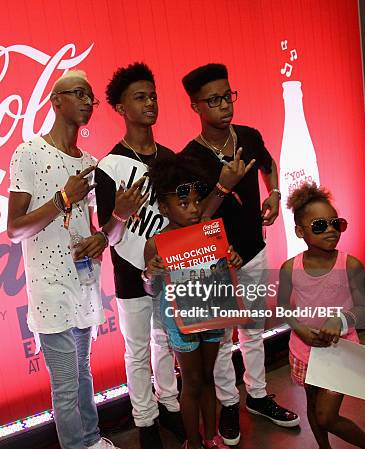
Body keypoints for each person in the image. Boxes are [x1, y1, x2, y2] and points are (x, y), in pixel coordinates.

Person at [179, 63, 299, 445]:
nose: (224, 106)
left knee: (252, 328)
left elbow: (269, 165)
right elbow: (195, 218)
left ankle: (258, 395)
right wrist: (222, 185)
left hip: (253, 248)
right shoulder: (189, 158)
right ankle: (229, 402)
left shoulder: (248, 135)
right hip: (211, 259)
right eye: (213, 100)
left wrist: (275, 193)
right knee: (220, 337)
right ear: (196, 107)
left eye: (228, 96)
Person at [7, 70, 118, 449]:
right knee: (67, 385)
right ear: (56, 102)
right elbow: (15, 229)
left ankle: (92, 440)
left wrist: (98, 240)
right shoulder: (29, 152)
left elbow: (92, 227)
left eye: (91, 96)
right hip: (49, 286)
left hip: (83, 282)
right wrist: (62, 200)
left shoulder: (89, 160)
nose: (88, 101)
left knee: (84, 373)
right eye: (79, 94)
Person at [95, 62, 184, 449]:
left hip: (169, 271)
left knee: (166, 342)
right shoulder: (109, 166)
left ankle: (171, 406)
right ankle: (145, 421)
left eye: (153, 96)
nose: (150, 103)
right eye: (140, 97)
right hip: (130, 273)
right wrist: (121, 212)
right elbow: (108, 235)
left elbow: (185, 220)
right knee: (136, 350)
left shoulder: (172, 159)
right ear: (120, 107)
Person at [142, 151, 251, 449]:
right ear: (164, 207)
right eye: (183, 203)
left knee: (208, 377)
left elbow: (222, 272)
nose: (193, 209)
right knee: (190, 382)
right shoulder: (156, 243)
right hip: (181, 323)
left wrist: (232, 260)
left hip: (213, 313)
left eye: (195, 201)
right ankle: (193, 442)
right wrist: (149, 274)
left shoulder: (210, 232)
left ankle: (211, 437)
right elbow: (151, 291)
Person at [278, 182, 365, 449]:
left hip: (340, 352)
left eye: (335, 223)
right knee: (313, 405)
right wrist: (300, 329)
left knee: (326, 416)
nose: (330, 230)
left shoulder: (350, 265)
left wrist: (340, 321)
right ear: (300, 231)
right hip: (304, 352)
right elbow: (283, 307)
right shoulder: (288, 268)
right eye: (319, 225)